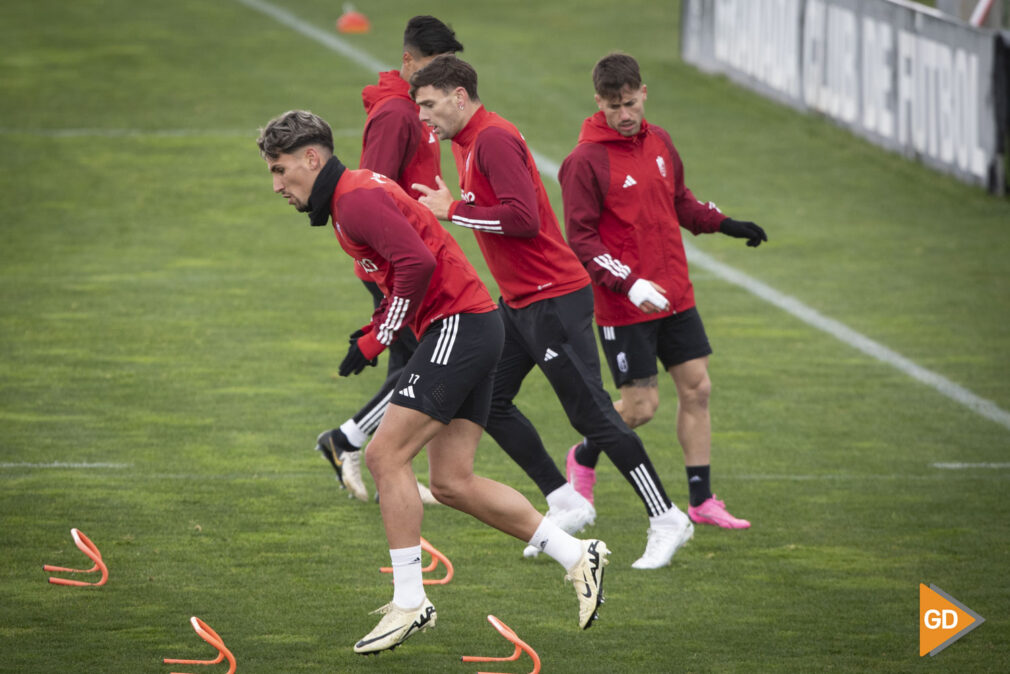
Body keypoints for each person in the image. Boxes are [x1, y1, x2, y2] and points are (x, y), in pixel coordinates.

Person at [257, 110, 609, 654]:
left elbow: (417, 265)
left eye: (281, 170)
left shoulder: (354, 199)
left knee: (382, 457)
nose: (277, 185)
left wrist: (380, 339)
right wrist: (375, 330)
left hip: (459, 327)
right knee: (451, 482)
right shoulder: (350, 198)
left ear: (312, 157)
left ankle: (410, 602)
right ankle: (576, 555)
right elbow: (405, 269)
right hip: (470, 326)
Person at [410, 55, 693, 569]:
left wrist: (453, 212)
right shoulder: (468, 141)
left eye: (429, 105)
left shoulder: (492, 138)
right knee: (488, 399)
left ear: (458, 96)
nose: (424, 117)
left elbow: (521, 219)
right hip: (520, 301)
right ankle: (565, 499)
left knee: (595, 417)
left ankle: (668, 516)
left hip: (552, 298)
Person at [559, 52, 767, 530]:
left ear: (644, 93)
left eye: (631, 103)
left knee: (698, 389)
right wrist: (629, 285)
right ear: (599, 103)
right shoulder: (584, 161)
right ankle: (583, 455)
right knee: (639, 409)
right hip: (625, 303)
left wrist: (725, 224)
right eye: (615, 108)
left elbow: (680, 202)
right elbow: (582, 240)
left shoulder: (661, 142)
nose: (625, 115)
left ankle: (701, 500)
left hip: (675, 293)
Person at [314, 16, 464, 504]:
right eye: (432, 65)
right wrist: (395, 272)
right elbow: (372, 193)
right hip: (398, 265)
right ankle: (347, 441)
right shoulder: (397, 114)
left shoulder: (416, 110)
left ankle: (382, 460)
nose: (440, 77)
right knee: (420, 366)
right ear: (408, 60)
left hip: (413, 256)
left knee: (409, 365)